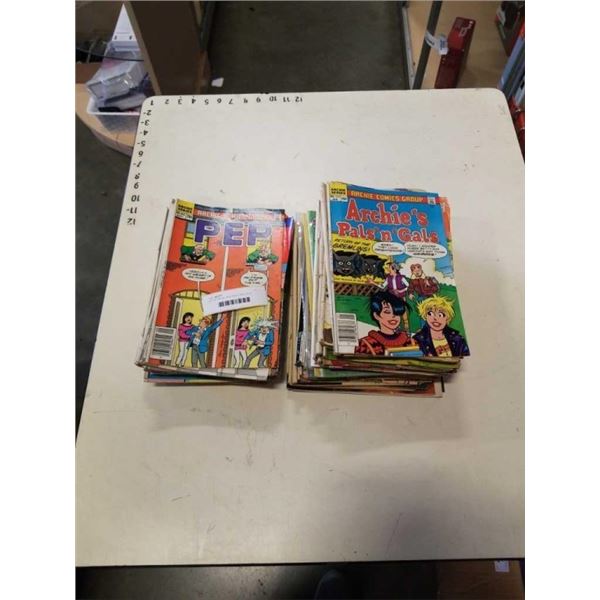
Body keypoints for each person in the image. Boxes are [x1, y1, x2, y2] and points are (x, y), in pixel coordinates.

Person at [355, 290, 412, 355]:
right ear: (376, 315)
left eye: (397, 312)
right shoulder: (365, 344)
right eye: (387, 312)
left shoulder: (410, 342)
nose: (393, 316)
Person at [367, 262, 410, 332]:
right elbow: (382, 286)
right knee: (393, 311)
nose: (388, 270)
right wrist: (373, 282)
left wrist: (400, 290)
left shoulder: (401, 278)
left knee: (403, 311)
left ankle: (407, 328)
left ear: (394, 269)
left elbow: (408, 286)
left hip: (400, 297)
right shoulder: (388, 278)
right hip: (392, 298)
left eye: (390, 268)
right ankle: (396, 328)